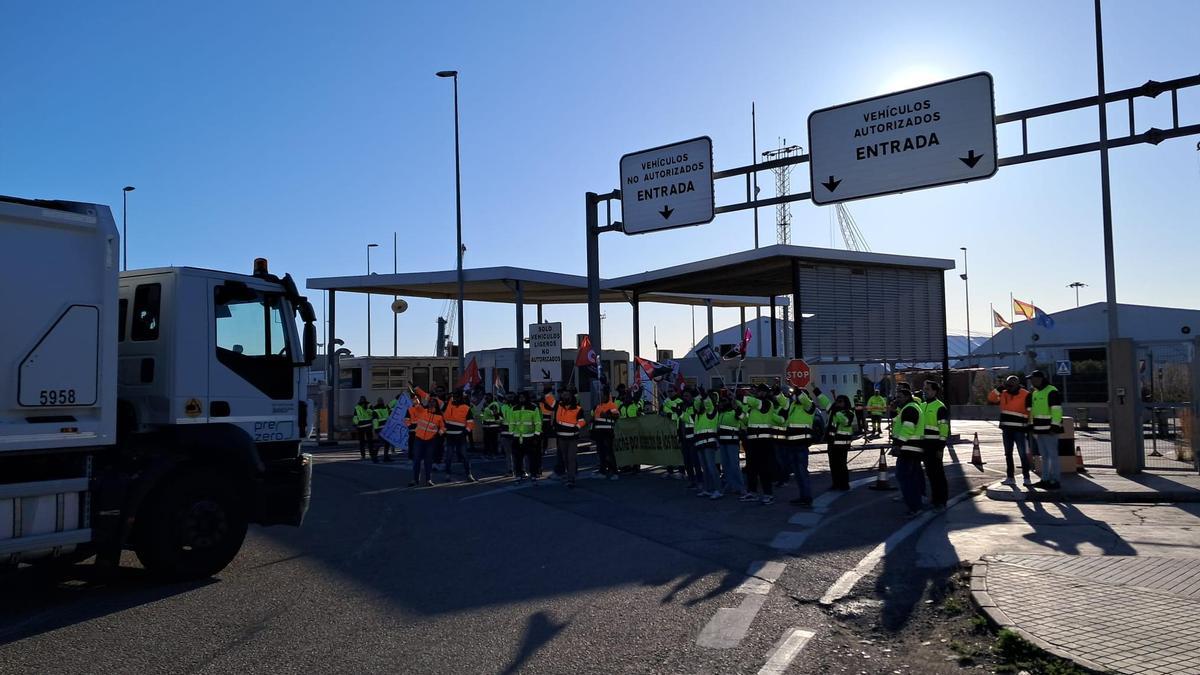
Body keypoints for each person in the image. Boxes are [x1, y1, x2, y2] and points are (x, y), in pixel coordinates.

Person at [740, 389, 784, 505]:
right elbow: (745, 420)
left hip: (764, 441)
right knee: (751, 468)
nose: (758, 393)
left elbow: (756, 403)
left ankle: (768, 494)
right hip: (752, 441)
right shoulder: (753, 407)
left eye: (760, 391)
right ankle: (752, 492)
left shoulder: (767, 404)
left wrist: (745, 397)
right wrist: (737, 410)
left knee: (764, 469)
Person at [987, 375, 1033, 486]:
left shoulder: (1025, 394)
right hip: (1006, 429)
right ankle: (1010, 477)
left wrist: (1029, 426)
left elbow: (1030, 411)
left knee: (1022, 454)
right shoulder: (1003, 393)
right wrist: (1000, 388)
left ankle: (1026, 478)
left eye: (1012, 383)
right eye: (1008, 384)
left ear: (1018, 384)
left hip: (1020, 429)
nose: (1010, 386)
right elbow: (991, 398)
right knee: (1008, 454)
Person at [891, 387, 926, 516]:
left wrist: (898, 445)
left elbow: (908, 429)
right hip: (913, 449)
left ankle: (914, 507)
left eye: (899, 397)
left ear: (906, 397)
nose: (897, 399)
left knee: (905, 477)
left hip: (908, 449)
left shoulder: (910, 409)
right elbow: (898, 422)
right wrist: (893, 411)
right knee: (912, 478)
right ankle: (917, 505)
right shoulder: (910, 408)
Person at [779, 387, 817, 506]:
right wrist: (776, 391)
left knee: (802, 472)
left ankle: (807, 497)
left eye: (798, 395)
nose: (796, 397)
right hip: (792, 444)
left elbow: (804, 399)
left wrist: (797, 390)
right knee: (797, 473)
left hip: (801, 445)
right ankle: (803, 496)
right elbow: (782, 400)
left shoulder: (809, 406)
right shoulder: (793, 406)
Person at [1027, 370, 1064, 490]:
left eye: (1032, 379)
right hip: (1039, 430)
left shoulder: (1051, 391)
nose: (1031, 381)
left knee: (1052, 455)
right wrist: (1031, 426)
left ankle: (1055, 480)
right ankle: (1045, 479)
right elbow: (1033, 412)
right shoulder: (1035, 393)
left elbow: (1057, 410)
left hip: (1049, 430)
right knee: (1045, 456)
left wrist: (1054, 426)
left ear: (1039, 379)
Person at [920, 380, 950, 509]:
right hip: (924, 444)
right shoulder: (922, 405)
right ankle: (935, 499)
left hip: (934, 445)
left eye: (927, 389)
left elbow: (944, 428)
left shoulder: (940, 407)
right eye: (924, 389)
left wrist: (940, 447)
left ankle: (941, 500)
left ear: (934, 391)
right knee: (931, 474)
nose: (924, 391)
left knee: (938, 474)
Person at [407, 394, 445, 487]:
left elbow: (443, 428)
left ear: (436, 404)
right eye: (430, 401)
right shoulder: (422, 411)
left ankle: (429, 480)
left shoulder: (439, 416)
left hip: (430, 441)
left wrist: (438, 434)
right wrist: (414, 396)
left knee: (428, 461)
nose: (431, 403)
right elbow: (416, 403)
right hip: (419, 439)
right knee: (416, 460)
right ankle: (415, 480)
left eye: (433, 402)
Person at [552, 388, 587, 487]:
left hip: (572, 438)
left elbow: (582, 421)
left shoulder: (578, 408)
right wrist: (547, 389)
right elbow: (549, 400)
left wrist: (576, 428)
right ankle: (569, 475)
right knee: (565, 458)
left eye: (567, 395)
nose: (565, 396)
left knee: (571, 458)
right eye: (564, 395)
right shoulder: (558, 406)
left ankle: (571, 478)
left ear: (571, 397)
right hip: (561, 437)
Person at [715, 390, 745, 496]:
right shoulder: (721, 414)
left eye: (723, 401)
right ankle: (730, 485)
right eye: (721, 401)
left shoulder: (734, 412)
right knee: (726, 466)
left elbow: (742, 417)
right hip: (723, 443)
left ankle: (741, 488)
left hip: (732, 442)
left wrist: (736, 404)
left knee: (734, 466)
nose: (721, 403)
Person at [442, 389, 477, 482]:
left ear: (461, 397)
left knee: (464, 456)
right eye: (454, 395)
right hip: (450, 436)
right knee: (448, 456)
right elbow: (443, 419)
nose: (454, 397)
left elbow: (470, 423)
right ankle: (448, 474)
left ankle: (468, 474)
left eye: (456, 395)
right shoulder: (449, 405)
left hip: (460, 436)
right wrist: (443, 431)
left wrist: (465, 432)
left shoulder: (466, 408)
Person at [692, 391, 722, 498]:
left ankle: (718, 490)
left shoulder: (711, 411)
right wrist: (697, 395)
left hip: (709, 442)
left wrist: (704, 397)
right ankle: (708, 489)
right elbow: (696, 404)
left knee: (711, 467)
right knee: (705, 467)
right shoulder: (698, 414)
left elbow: (708, 404)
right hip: (700, 443)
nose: (700, 403)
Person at [509, 391, 543, 482]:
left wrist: (536, 435)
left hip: (530, 437)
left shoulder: (533, 408)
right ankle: (519, 475)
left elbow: (538, 422)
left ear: (527, 398)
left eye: (523, 397)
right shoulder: (514, 408)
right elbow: (511, 423)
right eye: (520, 397)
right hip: (517, 437)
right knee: (518, 459)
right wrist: (511, 434)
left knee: (532, 458)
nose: (521, 399)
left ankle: (533, 474)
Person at [827, 395, 856, 490]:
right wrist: (816, 390)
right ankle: (835, 483)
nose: (838, 403)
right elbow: (824, 401)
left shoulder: (849, 412)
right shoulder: (834, 411)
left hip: (842, 444)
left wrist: (837, 412)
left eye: (840, 401)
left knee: (841, 465)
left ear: (845, 403)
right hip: (832, 442)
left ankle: (844, 484)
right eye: (837, 401)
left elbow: (845, 421)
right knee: (833, 465)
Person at [592, 388, 620, 479]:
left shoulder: (611, 405)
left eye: (602, 395)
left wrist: (607, 415)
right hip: (599, 432)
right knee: (601, 453)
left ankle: (614, 472)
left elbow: (616, 416)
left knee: (609, 452)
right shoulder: (598, 405)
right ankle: (603, 471)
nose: (601, 397)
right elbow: (595, 418)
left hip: (608, 432)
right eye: (600, 395)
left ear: (606, 396)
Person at [479, 393, 503, 457]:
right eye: (486, 397)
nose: (486, 399)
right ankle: (487, 452)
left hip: (493, 426)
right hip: (486, 426)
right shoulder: (486, 405)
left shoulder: (494, 404)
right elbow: (482, 414)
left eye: (487, 397)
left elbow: (494, 413)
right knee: (486, 441)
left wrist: (486, 408)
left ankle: (494, 452)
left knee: (493, 441)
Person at [539, 384, 557, 473]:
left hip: (547, 418)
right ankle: (543, 448)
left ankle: (544, 448)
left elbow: (552, 408)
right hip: (542, 418)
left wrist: (544, 402)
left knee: (545, 435)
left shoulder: (549, 397)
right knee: (543, 435)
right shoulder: (544, 397)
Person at [353, 396, 374, 460]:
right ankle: (371, 454)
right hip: (369, 425)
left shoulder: (357, 407)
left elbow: (355, 417)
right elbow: (373, 413)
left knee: (362, 442)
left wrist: (356, 424)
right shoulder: (369, 405)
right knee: (370, 441)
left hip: (360, 427)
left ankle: (363, 455)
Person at [371, 397, 390, 463]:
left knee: (386, 443)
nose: (382, 402)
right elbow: (375, 420)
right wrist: (376, 429)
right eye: (381, 401)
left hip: (383, 428)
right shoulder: (380, 409)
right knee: (380, 443)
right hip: (381, 429)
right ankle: (375, 457)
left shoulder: (383, 408)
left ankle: (385, 457)